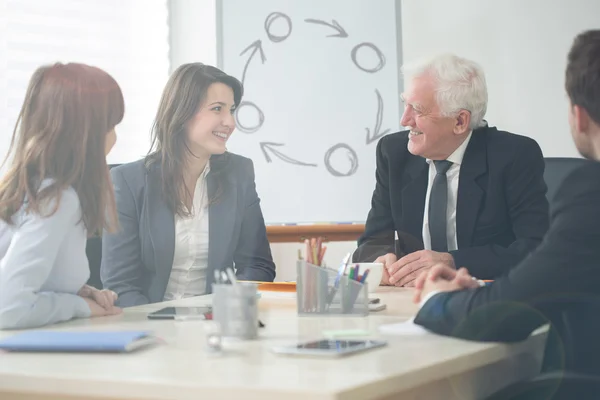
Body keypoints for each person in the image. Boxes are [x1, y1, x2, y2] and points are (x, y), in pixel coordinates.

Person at [413, 30, 600, 376]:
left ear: (579, 116)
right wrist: (489, 290)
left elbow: (505, 315)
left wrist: (437, 300)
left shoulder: (591, 195)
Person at [353, 53, 549, 287]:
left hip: (485, 296)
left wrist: (453, 261)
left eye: (417, 109)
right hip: (413, 297)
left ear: (459, 122)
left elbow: (535, 248)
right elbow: (371, 242)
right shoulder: (394, 153)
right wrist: (380, 260)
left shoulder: (514, 156)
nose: (405, 120)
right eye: (406, 104)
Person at [101, 63, 276, 307]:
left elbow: (257, 265)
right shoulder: (128, 182)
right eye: (217, 109)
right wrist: (159, 326)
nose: (230, 122)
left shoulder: (239, 173)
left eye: (232, 110)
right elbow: (121, 284)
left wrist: (225, 308)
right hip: (151, 326)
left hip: (217, 322)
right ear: (182, 113)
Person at [0, 62, 123, 330]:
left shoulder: (32, 188)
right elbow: (7, 309)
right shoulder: (57, 199)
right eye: (110, 125)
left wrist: (77, 291)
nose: (115, 137)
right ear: (86, 131)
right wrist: (79, 308)